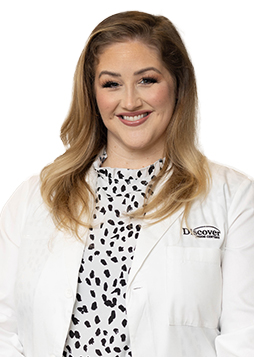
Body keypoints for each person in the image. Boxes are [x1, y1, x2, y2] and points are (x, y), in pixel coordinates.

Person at [0, 10, 253, 357]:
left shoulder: (234, 197)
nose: (130, 101)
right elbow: (4, 328)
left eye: (147, 80)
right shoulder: (36, 197)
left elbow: (245, 338)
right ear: (92, 93)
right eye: (111, 83)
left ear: (178, 84)